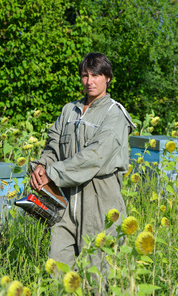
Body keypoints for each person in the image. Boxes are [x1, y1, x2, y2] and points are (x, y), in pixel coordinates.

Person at [30, 53, 135, 275]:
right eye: (85, 76)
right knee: (57, 269)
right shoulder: (69, 110)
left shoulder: (114, 114)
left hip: (99, 203)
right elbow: (53, 145)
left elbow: (94, 157)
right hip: (65, 203)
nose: (89, 81)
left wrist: (53, 173)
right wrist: (41, 166)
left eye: (96, 75)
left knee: (96, 274)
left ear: (107, 78)